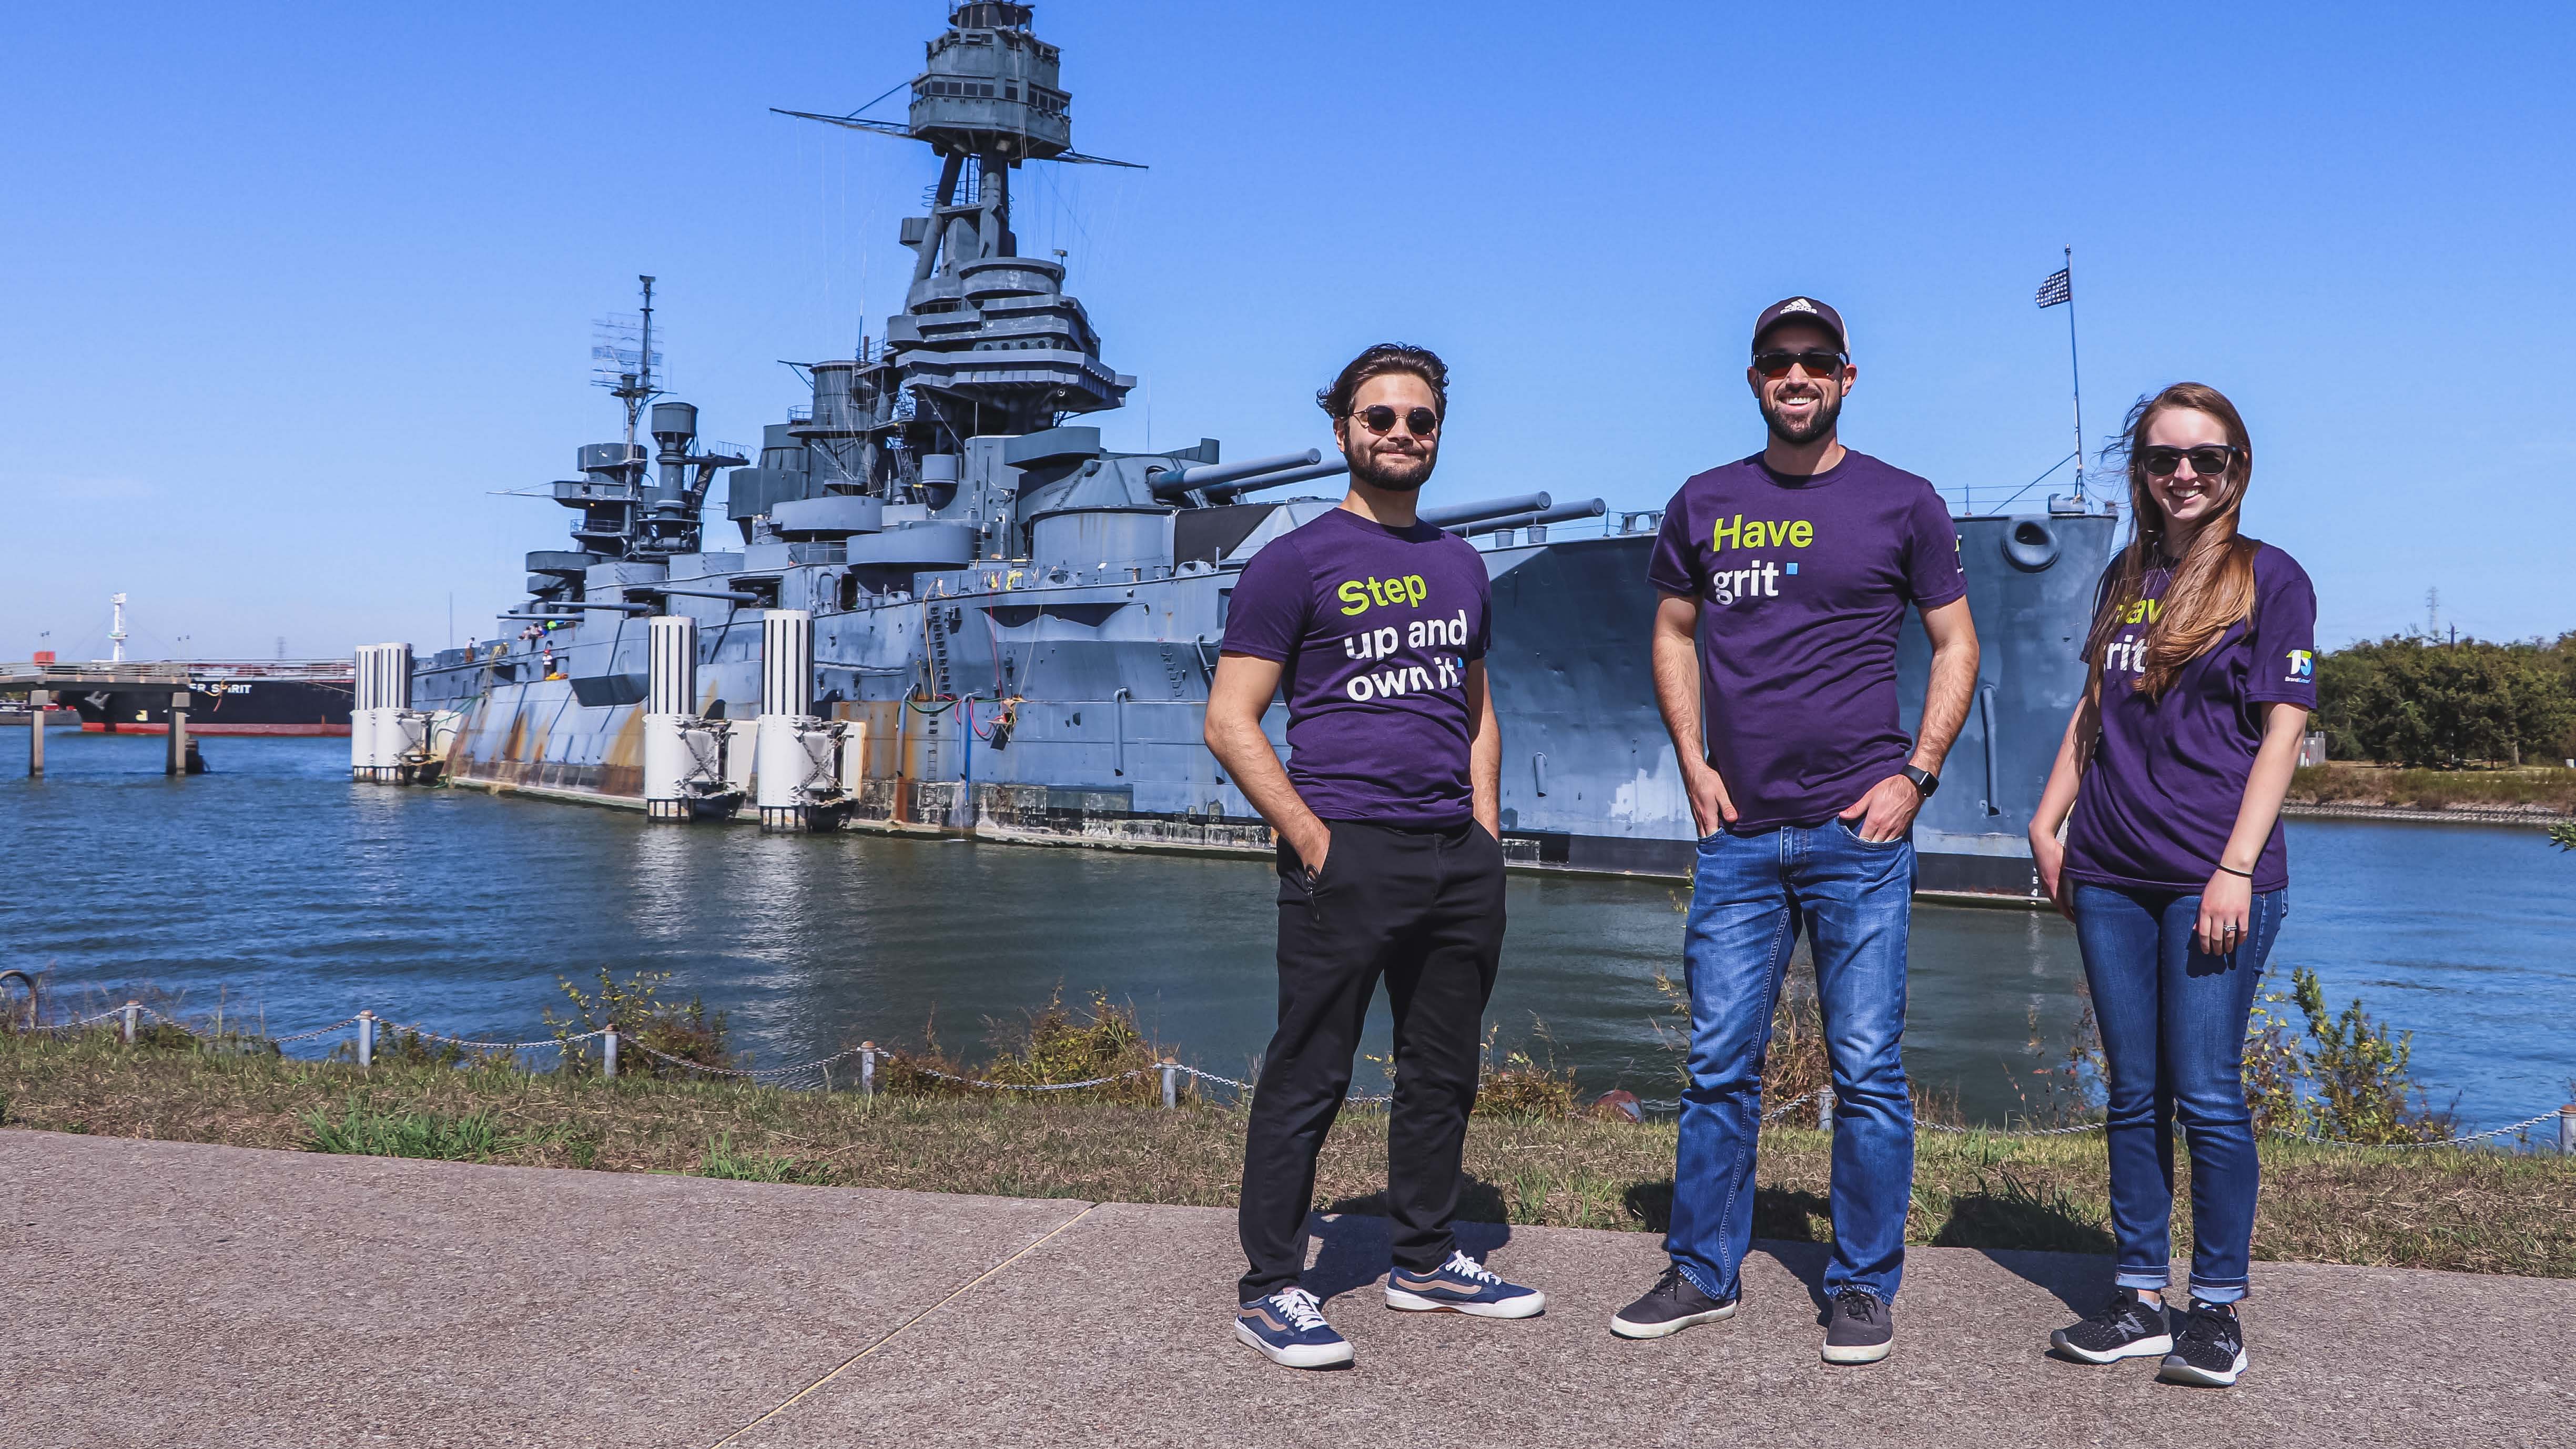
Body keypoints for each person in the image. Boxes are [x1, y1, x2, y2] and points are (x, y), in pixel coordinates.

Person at [1614, 297, 1979, 1365]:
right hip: (1736, 835)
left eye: (1816, 361)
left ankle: (1861, 1283)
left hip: (1856, 834)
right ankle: (1701, 1270)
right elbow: (1673, 629)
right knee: (1718, 1061)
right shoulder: (1704, 501)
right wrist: (1690, 757)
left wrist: (1917, 773)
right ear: (1753, 378)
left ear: (1847, 377)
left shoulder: (1903, 503)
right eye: (1778, 361)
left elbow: (1955, 645)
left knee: (1865, 1066)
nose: (1796, 375)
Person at [1204, 342, 1540, 1370]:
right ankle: (1269, 1286)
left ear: (1439, 434)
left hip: (1454, 858)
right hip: (1346, 853)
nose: (1400, 433)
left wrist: (1482, 831)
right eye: (1379, 417)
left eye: (1419, 420)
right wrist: (1315, 841)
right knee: (1309, 1073)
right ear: (1343, 430)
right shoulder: (1292, 563)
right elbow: (1231, 719)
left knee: (1442, 1073)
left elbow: (1476, 708)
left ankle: (1424, 1258)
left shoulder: (1460, 564)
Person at [2029, 382, 2313, 1389]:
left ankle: (2219, 1310)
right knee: (2133, 1093)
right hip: (2107, 868)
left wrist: (2234, 866)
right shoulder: (2125, 572)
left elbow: (2282, 730)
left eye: (2205, 456)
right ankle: (2140, 1295)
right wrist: (2044, 815)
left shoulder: (2268, 579)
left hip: (2211, 875)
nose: (2182, 473)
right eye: (2161, 458)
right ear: (2139, 471)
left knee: (2206, 1094)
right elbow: (2091, 707)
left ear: (2237, 467)